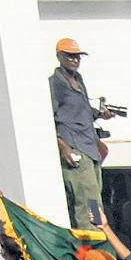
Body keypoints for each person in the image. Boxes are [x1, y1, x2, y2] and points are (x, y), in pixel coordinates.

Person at [49, 37, 111, 226]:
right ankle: (90, 241)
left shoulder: (78, 80)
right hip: (75, 145)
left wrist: (100, 114)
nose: (75, 60)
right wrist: (63, 146)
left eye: (77, 57)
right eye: (70, 56)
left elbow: (79, 112)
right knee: (86, 198)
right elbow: (49, 118)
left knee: (94, 196)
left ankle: (98, 232)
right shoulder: (56, 83)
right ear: (59, 56)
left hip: (89, 145)